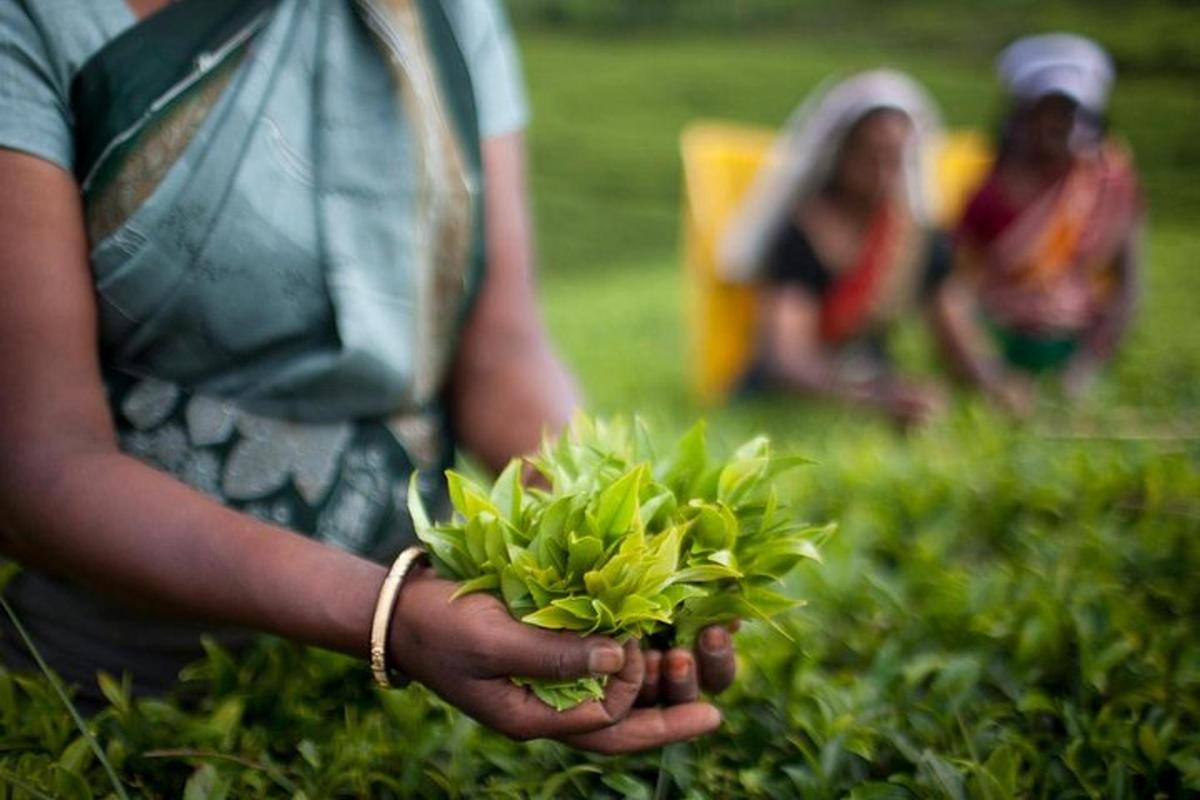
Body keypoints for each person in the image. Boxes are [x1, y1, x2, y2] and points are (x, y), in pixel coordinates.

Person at [0, 0, 734, 753]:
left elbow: (503, 351)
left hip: (416, 686)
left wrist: (611, 546)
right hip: (114, 693)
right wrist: (388, 615)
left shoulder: (451, 13)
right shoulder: (31, 23)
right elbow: (38, 461)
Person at [720, 70, 952, 426]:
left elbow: (956, 327)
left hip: (867, 376)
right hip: (792, 398)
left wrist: (995, 384)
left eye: (893, 158)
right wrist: (873, 401)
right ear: (839, 153)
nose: (880, 173)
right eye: (868, 155)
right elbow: (787, 358)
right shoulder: (802, 234)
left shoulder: (913, 236)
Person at [934, 34, 1142, 405]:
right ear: (1021, 116)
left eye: (1069, 113)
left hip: (1075, 343)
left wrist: (1087, 365)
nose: (1058, 126)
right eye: (1046, 112)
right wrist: (987, 372)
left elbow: (1128, 283)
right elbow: (953, 289)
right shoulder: (988, 194)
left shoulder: (1109, 186)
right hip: (998, 338)